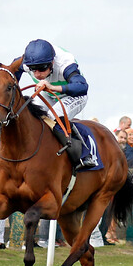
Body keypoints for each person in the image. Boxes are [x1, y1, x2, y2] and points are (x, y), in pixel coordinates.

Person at [15, 38, 96, 169]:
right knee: (29, 113)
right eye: (33, 69)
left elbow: (82, 87)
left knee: (54, 116)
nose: (37, 74)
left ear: (52, 62)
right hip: (47, 93)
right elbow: (12, 73)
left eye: (41, 69)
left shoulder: (64, 63)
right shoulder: (25, 62)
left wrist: (53, 88)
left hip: (73, 94)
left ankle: (85, 153)